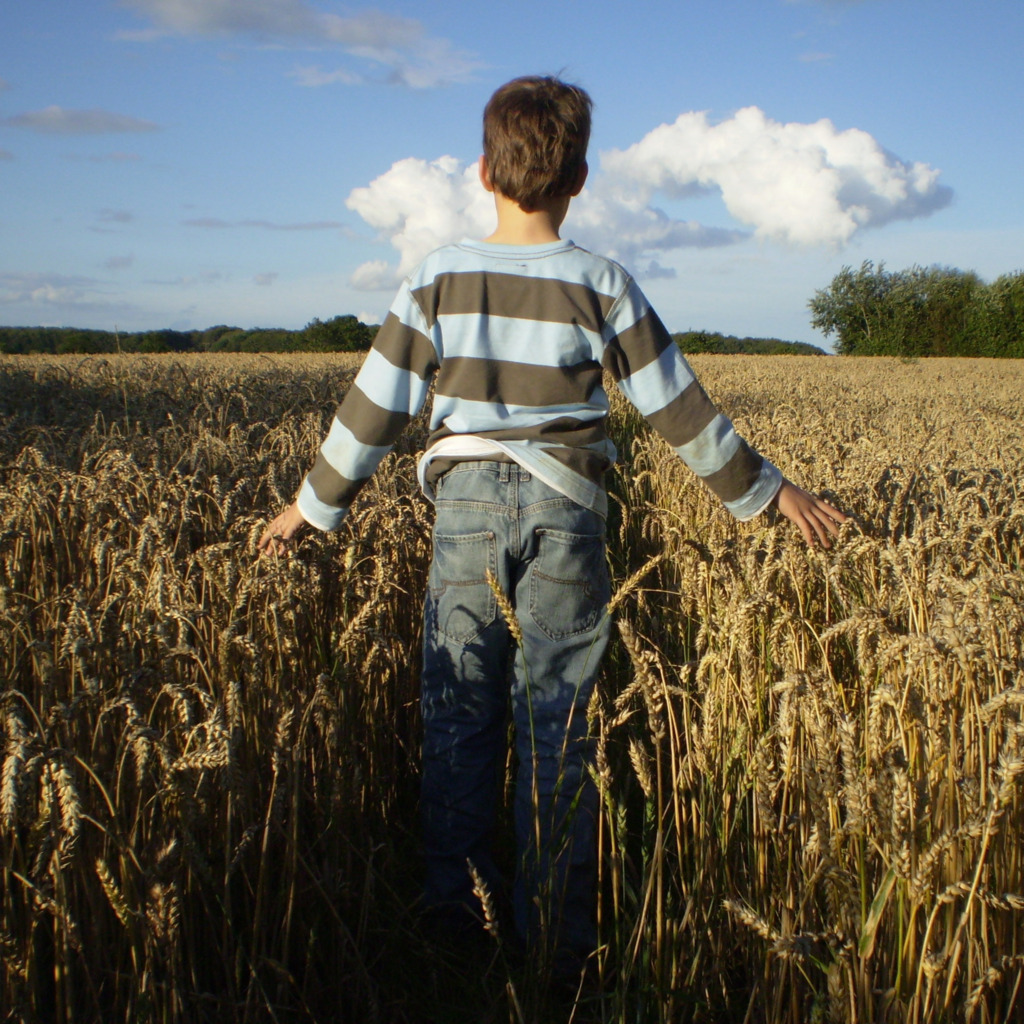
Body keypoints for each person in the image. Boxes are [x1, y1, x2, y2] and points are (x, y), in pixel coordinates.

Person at [259, 75, 846, 974]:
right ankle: (557, 939)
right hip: (568, 512)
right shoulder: (601, 281)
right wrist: (765, 491)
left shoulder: (437, 277)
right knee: (559, 719)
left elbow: (372, 407)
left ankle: (456, 923)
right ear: (581, 177)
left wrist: (312, 505)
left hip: (461, 511)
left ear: (483, 171)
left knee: (458, 710)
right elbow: (677, 407)